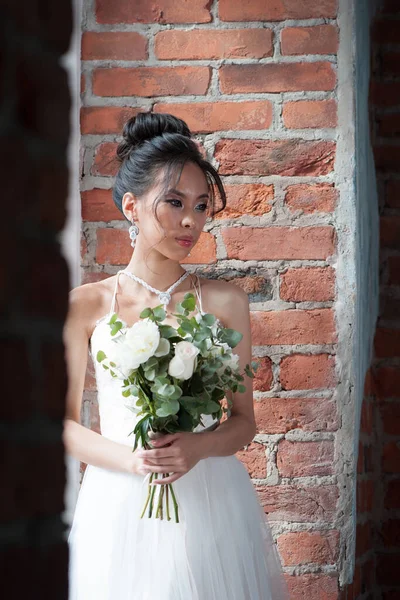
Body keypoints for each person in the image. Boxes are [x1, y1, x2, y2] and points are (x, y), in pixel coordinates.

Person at [64, 112, 289, 599]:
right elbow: (60, 424)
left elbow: (244, 419)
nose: (192, 220)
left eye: (202, 206)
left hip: (211, 497)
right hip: (118, 503)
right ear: (131, 206)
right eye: (174, 202)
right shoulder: (87, 305)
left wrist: (198, 447)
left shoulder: (226, 303)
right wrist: (135, 461)